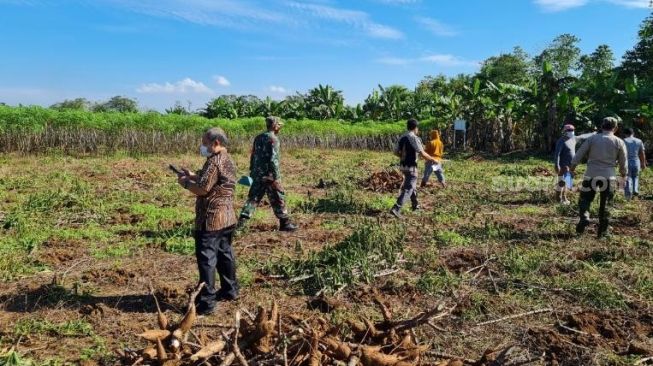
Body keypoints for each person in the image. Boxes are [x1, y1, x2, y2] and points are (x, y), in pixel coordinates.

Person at [178, 127, 239, 315]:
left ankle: (207, 302)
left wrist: (186, 183)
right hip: (227, 217)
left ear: (216, 143)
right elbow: (216, 181)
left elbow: (204, 189)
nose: (202, 147)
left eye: (205, 143)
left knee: (207, 260)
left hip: (211, 219)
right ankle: (231, 290)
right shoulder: (227, 159)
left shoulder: (213, 162)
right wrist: (194, 175)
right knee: (225, 254)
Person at [570, 117, 627, 238]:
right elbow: (623, 162)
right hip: (609, 177)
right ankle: (603, 232)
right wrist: (623, 174)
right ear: (615, 128)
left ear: (602, 127)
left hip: (591, 174)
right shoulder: (619, 142)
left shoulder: (592, 139)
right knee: (606, 204)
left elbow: (579, 153)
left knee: (585, 199)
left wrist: (572, 168)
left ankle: (585, 216)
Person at [238, 116, 297, 232]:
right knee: (278, 196)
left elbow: (253, 155)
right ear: (275, 126)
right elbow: (273, 160)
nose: (280, 127)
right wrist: (275, 177)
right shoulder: (273, 139)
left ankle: (241, 224)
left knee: (253, 198)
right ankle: (285, 223)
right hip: (269, 175)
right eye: (279, 125)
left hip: (257, 174)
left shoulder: (258, 138)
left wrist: (252, 171)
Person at [390, 119, 439, 218]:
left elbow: (395, 151)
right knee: (409, 188)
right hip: (411, 166)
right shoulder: (413, 137)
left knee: (412, 186)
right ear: (415, 128)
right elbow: (422, 152)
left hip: (403, 165)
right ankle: (396, 208)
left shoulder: (402, 137)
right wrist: (433, 159)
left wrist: (403, 156)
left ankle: (415, 206)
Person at [553, 124, 577, 205]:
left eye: (572, 130)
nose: (571, 132)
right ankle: (558, 198)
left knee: (567, 182)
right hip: (563, 165)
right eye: (569, 130)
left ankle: (564, 197)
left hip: (570, 166)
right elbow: (557, 154)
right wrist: (557, 165)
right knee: (561, 182)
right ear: (565, 131)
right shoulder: (561, 141)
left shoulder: (572, 140)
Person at [623, 128, 647, 199]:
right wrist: (643, 163)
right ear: (633, 133)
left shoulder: (623, 141)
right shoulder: (639, 141)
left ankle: (628, 194)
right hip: (636, 161)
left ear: (625, 134)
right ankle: (635, 190)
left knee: (628, 177)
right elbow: (642, 153)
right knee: (635, 177)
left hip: (626, 161)